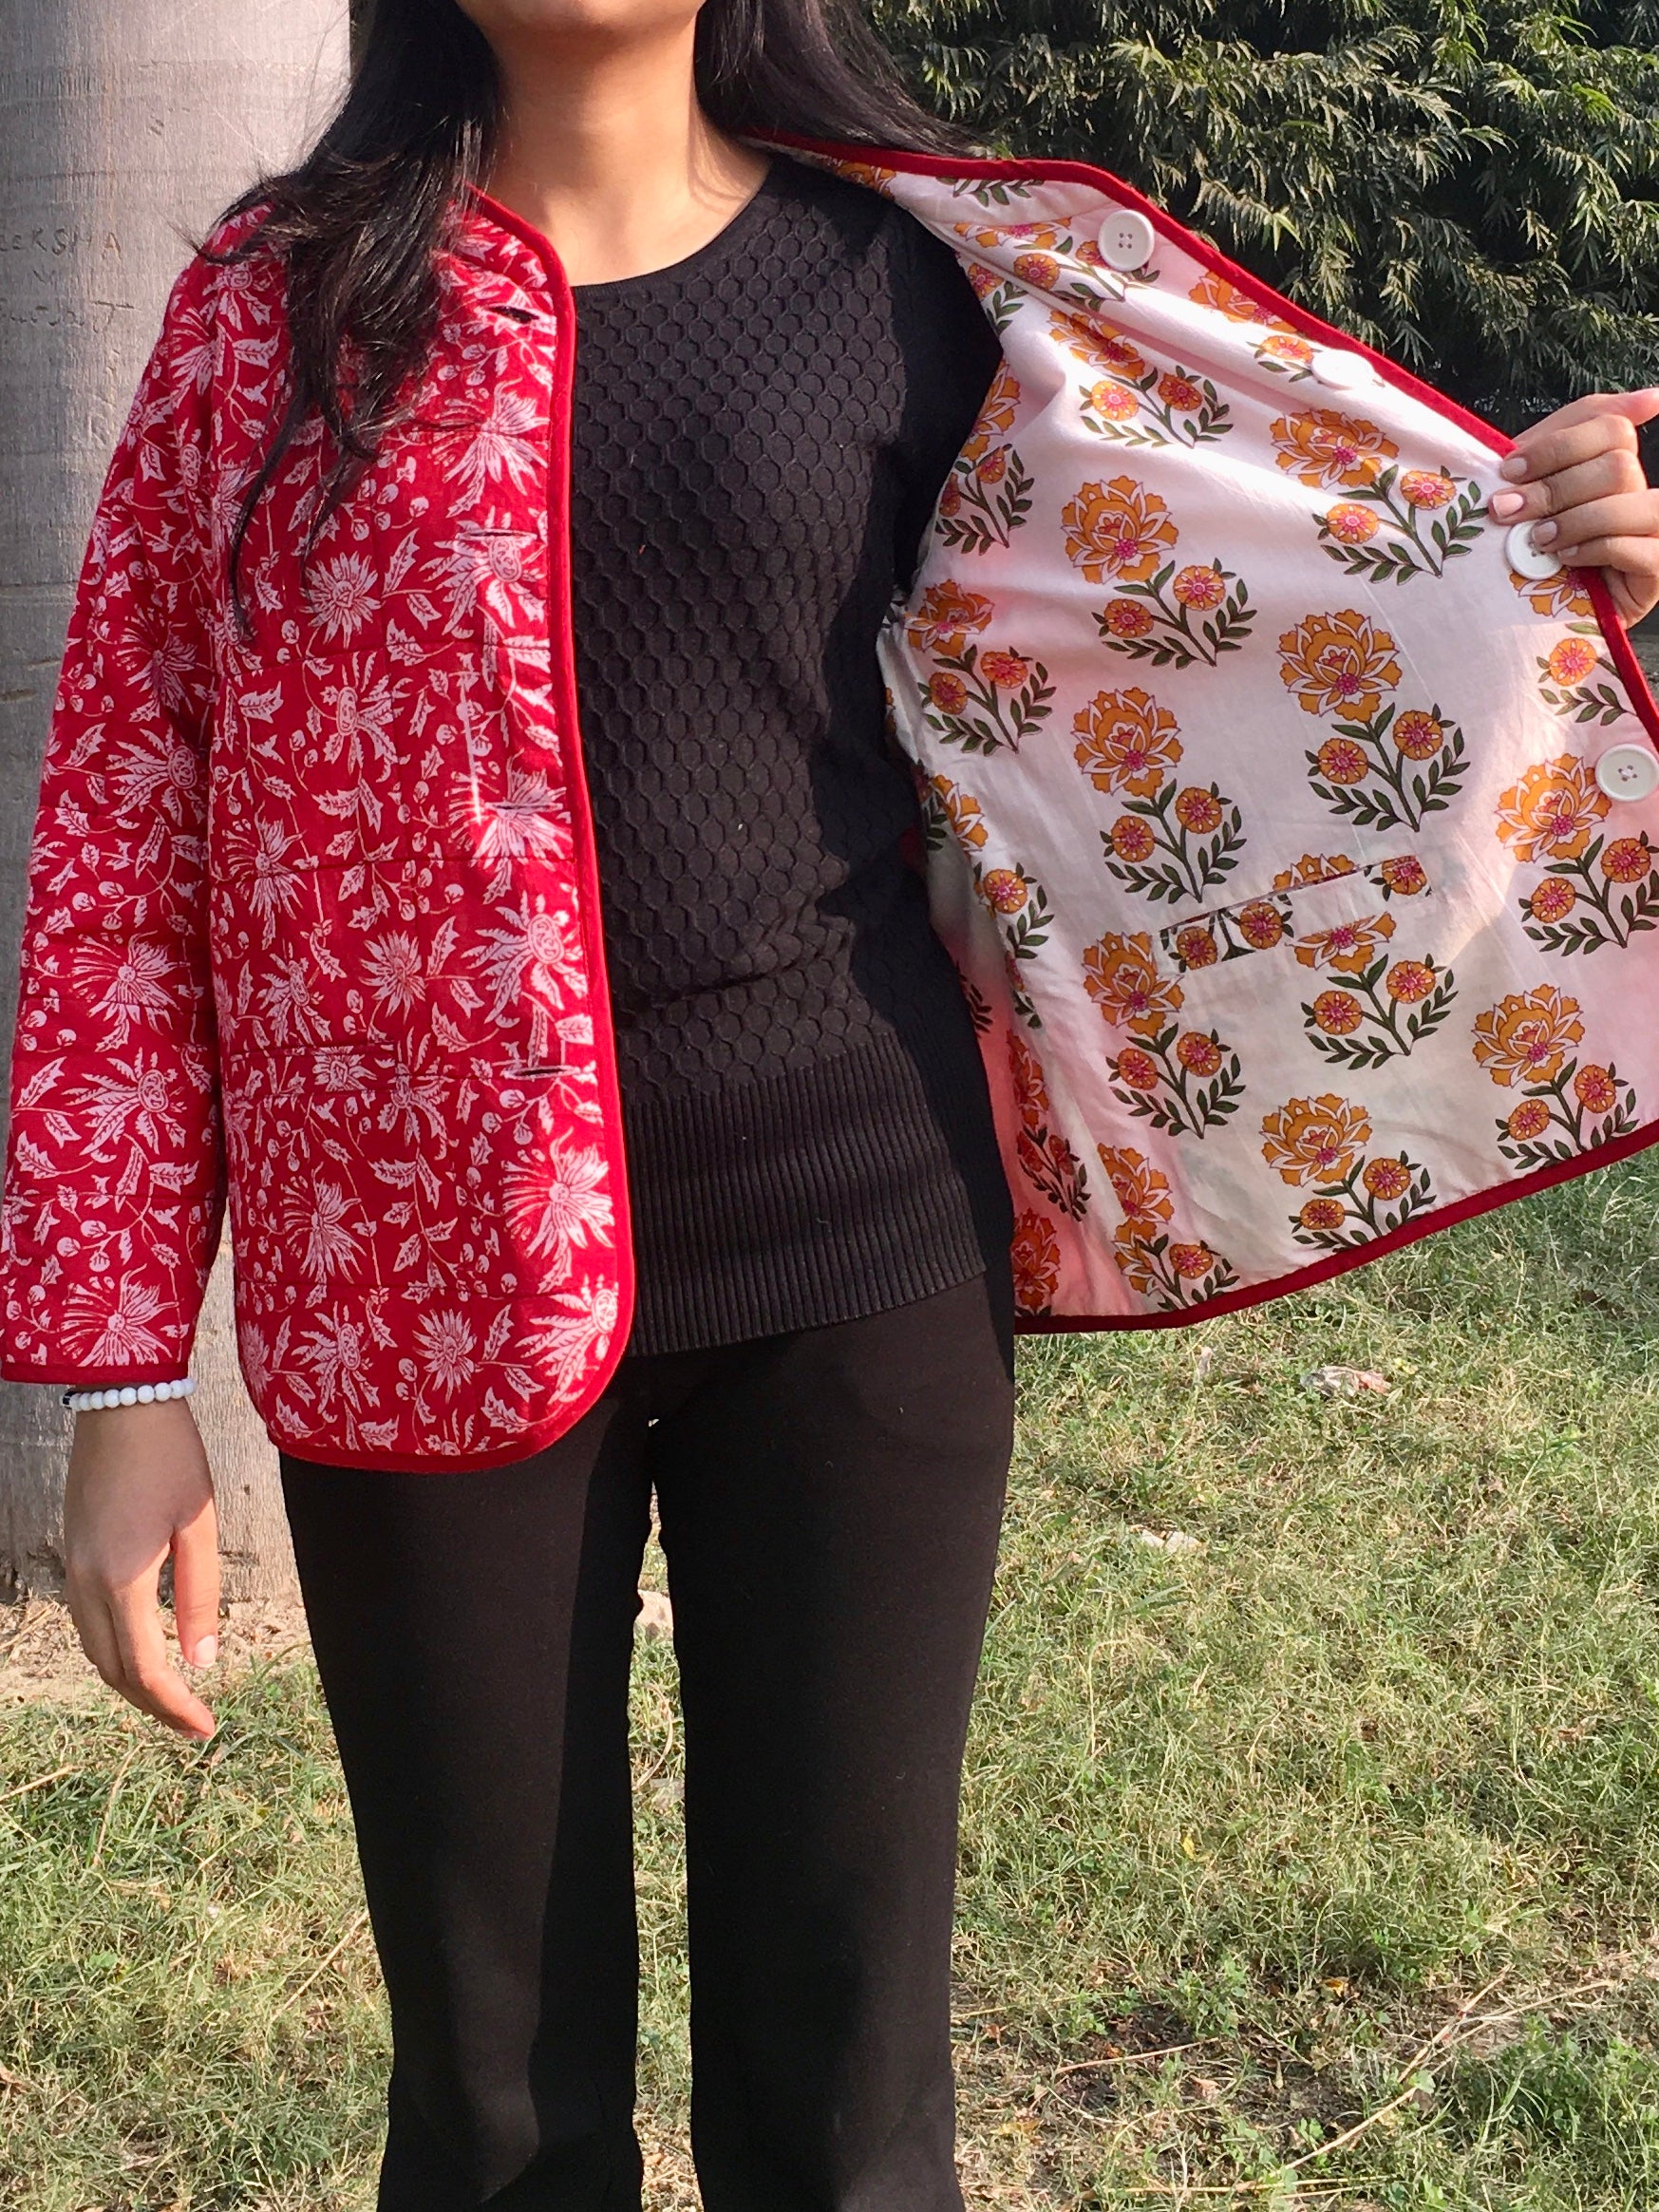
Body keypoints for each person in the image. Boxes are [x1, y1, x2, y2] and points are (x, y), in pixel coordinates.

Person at [4, 0, 1658, 2205]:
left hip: (861, 1251)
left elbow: (1213, 590)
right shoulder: (276, 311)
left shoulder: (913, 281)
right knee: (492, 2110)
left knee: (851, 2096)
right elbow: (131, 814)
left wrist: (1533, 536)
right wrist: (120, 1366)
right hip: (417, 1274)